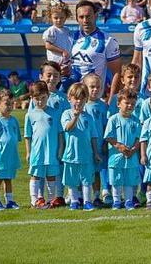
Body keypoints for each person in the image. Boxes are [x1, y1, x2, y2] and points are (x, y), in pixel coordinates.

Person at [61, 83, 99, 211]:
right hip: (71, 155)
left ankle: (87, 201)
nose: (79, 101)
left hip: (86, 155)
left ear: (86, 100)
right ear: (69, 98)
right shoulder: (66, 114)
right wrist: (75, 116)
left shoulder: (89, 117)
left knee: (87, 180)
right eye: (76, 98)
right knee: (72, 181)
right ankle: (74, 201)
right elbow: (67, 128)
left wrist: (96, 153)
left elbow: (93, 136)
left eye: (82, 98)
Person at [69, 1, 122, 92]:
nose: (85, 20)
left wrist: (111, 100)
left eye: (88, 16)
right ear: (77, 19)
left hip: (94, 97)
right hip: (72, 97)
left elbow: (116, 73)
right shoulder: (70, 37)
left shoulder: (108, 40)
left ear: (96, 16)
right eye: (81, 17)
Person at [103, 89, 142, 210]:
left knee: (129, 180)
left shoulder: (136, 121)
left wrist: (133, 150)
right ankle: (116, 201)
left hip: (131, 157)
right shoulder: (113, 119)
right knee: (116, 180)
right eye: (127, 103)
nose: (130, 106)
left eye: (133, 104)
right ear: (119, 103)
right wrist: (119, 146)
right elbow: (109, 137)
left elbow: (139, 139)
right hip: (116, 157)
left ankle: (129, 201)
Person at [0, 91, 21, 211]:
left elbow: (16, 137)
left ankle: (10, 201)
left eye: (11, 103)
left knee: (8, 178)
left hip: (11, 156)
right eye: (6, 103)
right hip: (0, 156)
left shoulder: (14, 120)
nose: (9, 106)